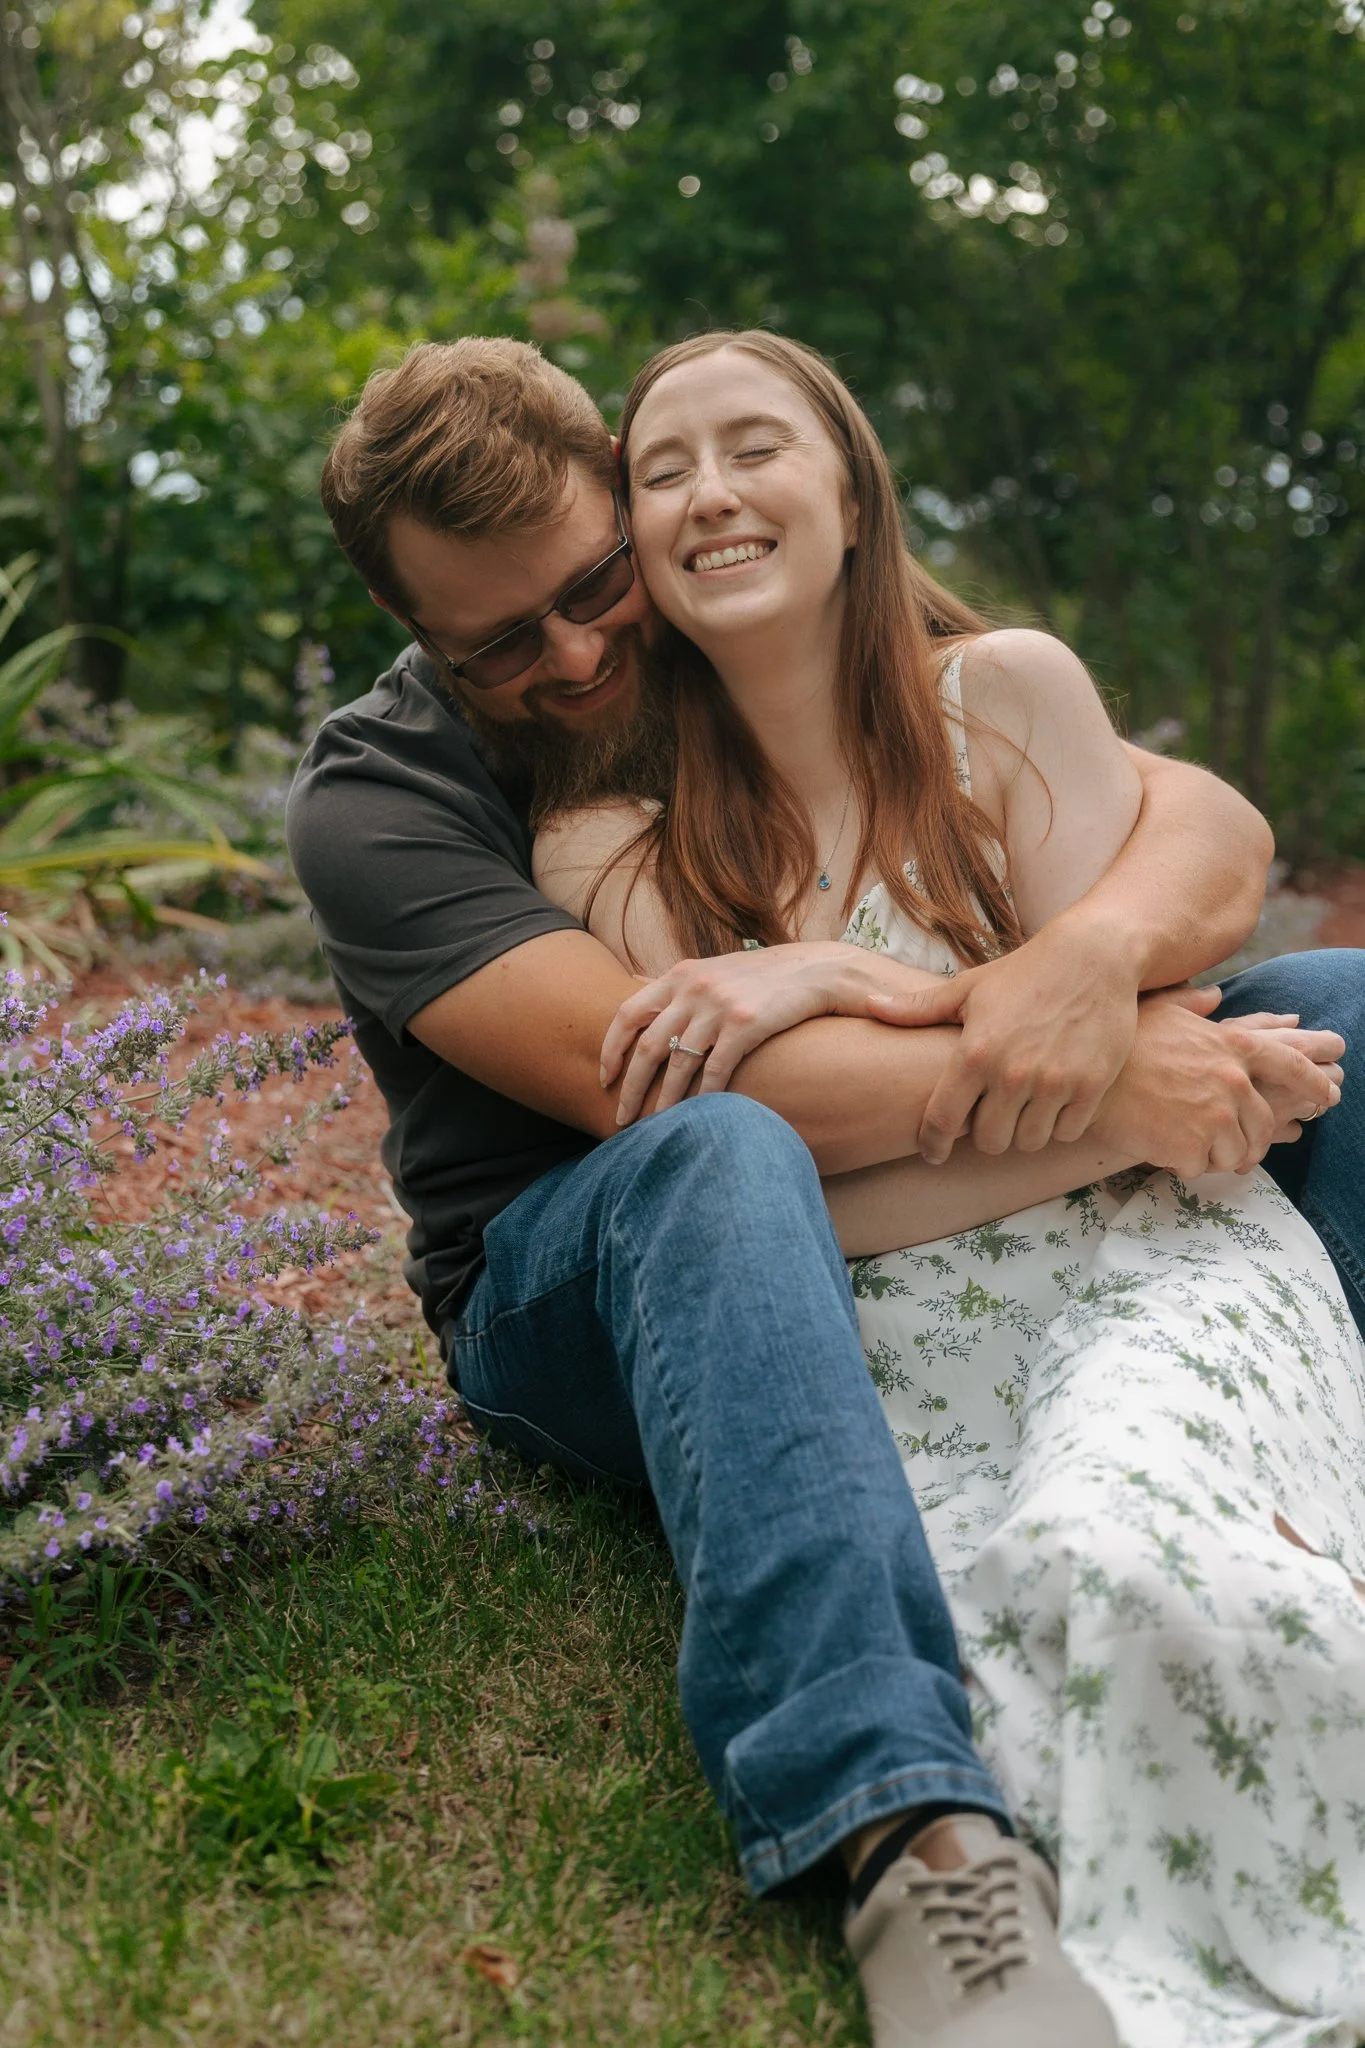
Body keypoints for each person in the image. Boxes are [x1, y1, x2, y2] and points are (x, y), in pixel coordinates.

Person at [286, 335, 1360, 2048]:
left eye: (589, 589)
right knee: (713, 1159)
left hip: (892, 1183)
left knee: (1342, 1012)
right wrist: (1121, 1089)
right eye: (498, 644)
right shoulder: (377, 799)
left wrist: (1083, 962)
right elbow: (670, 1085)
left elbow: (1206, 833)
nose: (569, 659)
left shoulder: (751, 629)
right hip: (584, 1263)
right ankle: (905, 1827)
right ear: (418, 638)